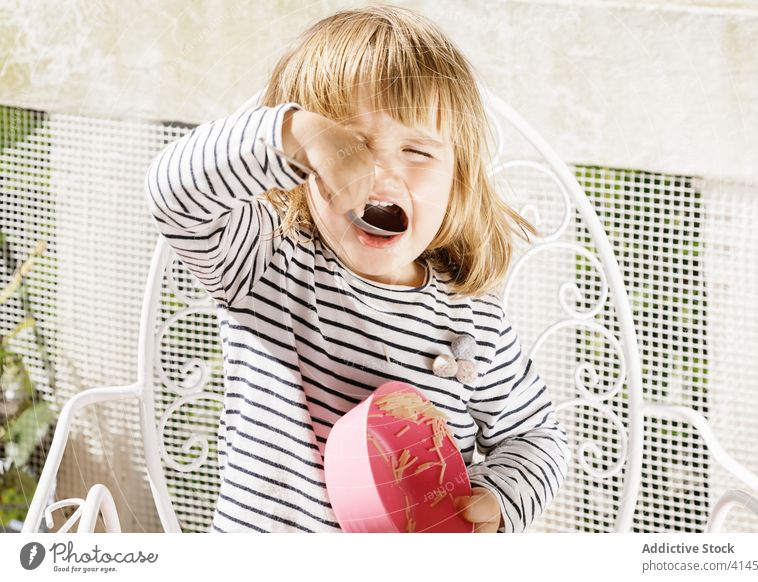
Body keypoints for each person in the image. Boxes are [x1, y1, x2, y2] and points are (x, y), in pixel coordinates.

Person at [144, 4, 569, 533]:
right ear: (300, 172)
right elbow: (172, 193)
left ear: (457, 182)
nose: (383, 172)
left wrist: (495, 500)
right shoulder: (266, 265)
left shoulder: (476, 323)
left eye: (417, 151)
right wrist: (297, 134)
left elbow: (536, 438)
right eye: (350, 147)